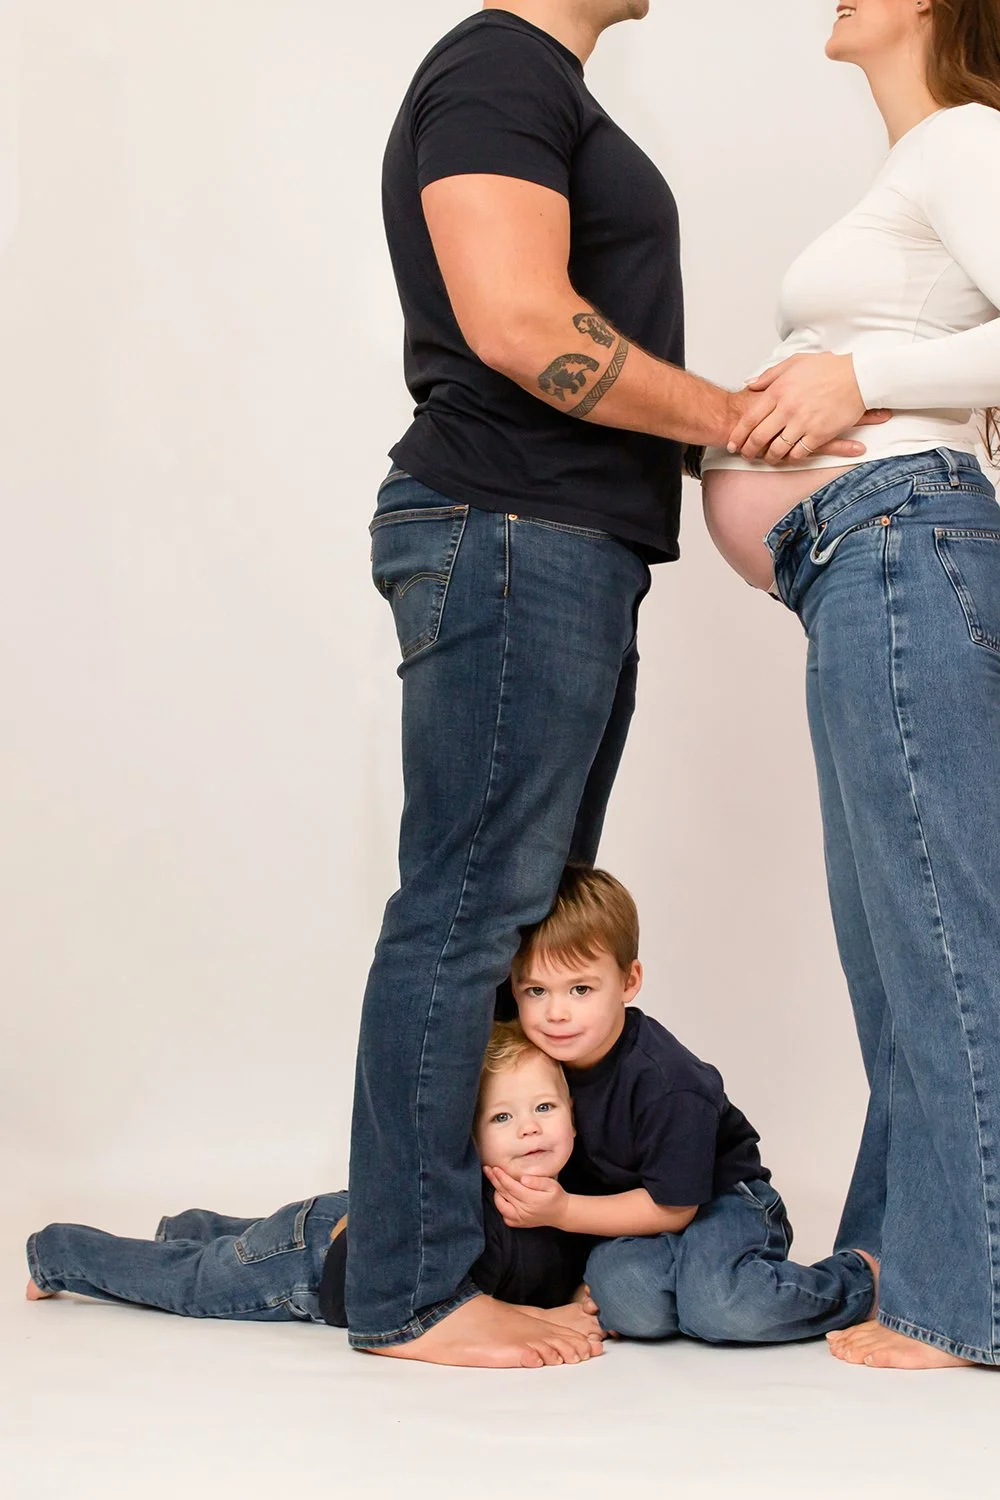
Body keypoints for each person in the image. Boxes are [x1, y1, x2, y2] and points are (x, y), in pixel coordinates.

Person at [349, 0, 879, 1371]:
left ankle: (464, 1260)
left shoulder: (541, 85)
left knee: (510, 930)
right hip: (512, 530)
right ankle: (411, 1293)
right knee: (469, 915)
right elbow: (525, 323)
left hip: (558, 546)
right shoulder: (498, 65)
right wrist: (741, 420)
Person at [697, 0, 1000, 1369]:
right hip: (862, 562)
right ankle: (901, 1255)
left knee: (938, 928)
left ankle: (971, 1295)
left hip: (899, 542)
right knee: (895, 946)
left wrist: (857, 376)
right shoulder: (920, 163)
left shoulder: (963, 137)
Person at [25, 1027, 605, 1366]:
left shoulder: (576, 1191)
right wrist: (530, 1314)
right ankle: (61, 1255)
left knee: (250, 1239)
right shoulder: (472, 1210)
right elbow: (351, 1287)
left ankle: (192, 1225)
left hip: (336, 1212)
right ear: (470, 1139)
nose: (530, 1128)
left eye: (544, 1108)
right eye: (503, 1116)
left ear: (572, 1115)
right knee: (197, 1282)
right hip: (317, 1258)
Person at [488, 864, 879, 1344]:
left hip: (718, 1198)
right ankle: (693, 1283)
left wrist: (564, 1212)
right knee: (626, 1303)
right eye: (536, 991)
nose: (556, 1012)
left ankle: (858, 1280)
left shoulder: (668, 1083)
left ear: (629, 981)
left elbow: (671, 1210)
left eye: (581, 989)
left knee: (723, 1307)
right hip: (630, 1211)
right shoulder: (537, 1063)